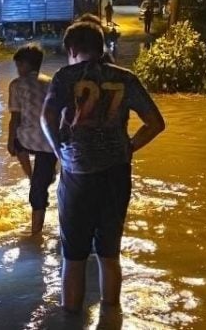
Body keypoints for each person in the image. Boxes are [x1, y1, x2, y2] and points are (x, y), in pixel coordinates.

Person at [41, 21, 166, 314]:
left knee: (73, 258)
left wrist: (59, 151)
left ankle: (71, 318)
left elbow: (46, 118)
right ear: (101, 47)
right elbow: (156, 123)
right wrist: (128, 147)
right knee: (110, 255)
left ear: (72, 50)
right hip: (116, 175)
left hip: (77, 175)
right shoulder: (125, 78)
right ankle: (111, 316)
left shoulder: (65, 77)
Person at [7, 44, 57, 238]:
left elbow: (15, 118)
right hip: (51, 143)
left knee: (17, 146)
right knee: (40, 189)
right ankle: (37, 232)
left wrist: (10, 141)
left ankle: (35, 236)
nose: (18, 70)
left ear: (25, 65)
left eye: (19, 66)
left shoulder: (16, 85)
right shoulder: (52, 82)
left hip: (26, 140)